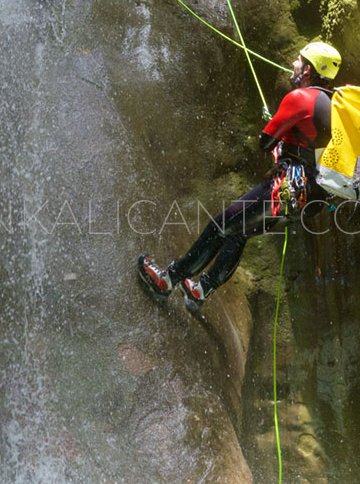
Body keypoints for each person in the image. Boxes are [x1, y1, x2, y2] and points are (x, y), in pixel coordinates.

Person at [138, 42, 341, 313]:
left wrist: (276, 129)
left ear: (307, 70)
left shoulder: (300, 98)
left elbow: (265, 141)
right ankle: (201, 290)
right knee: (239, 231)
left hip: (285, 190)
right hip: (308, 200)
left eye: (298, 60)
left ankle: (167, 280)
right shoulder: (334, 105)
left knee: (221, 226)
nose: (293, 63)